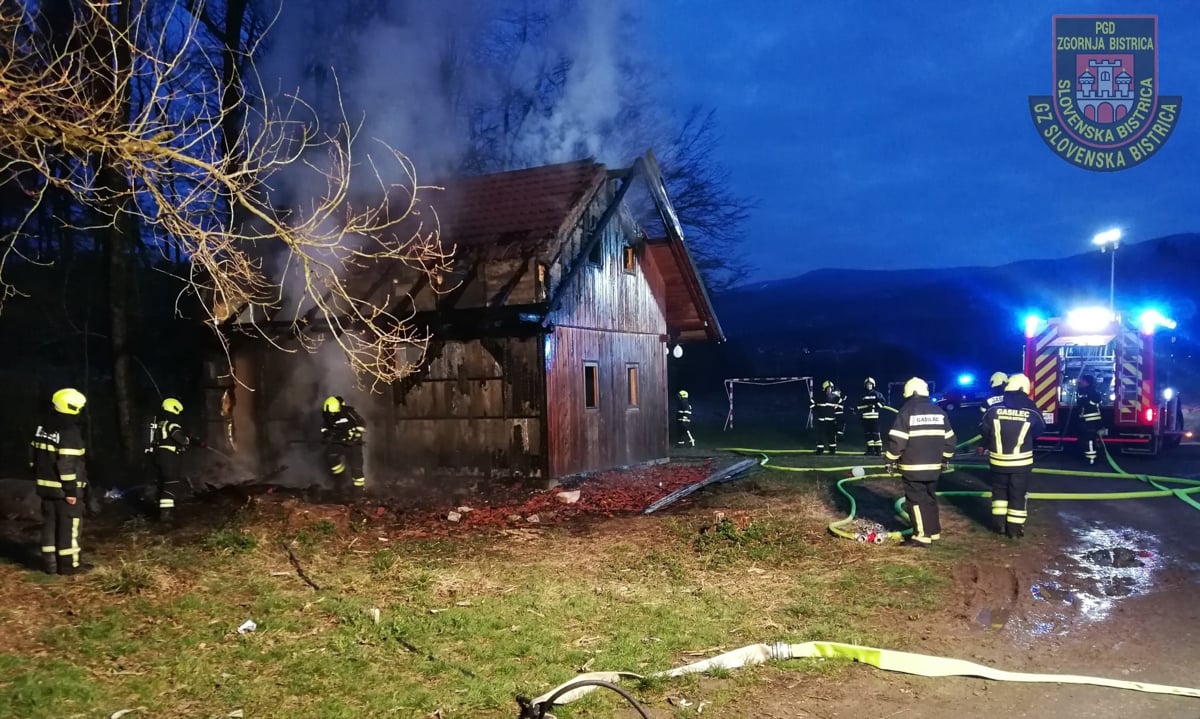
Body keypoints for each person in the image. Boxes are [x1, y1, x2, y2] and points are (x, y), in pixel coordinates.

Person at [884, 377, 956, 547]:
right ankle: (934, 531)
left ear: (909, 393)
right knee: (930, 498)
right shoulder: (939, 412)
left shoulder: (906, 411)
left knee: (915, 500)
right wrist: (944, 458)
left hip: (913, 467)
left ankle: (921, 536)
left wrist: (889, 460)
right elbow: (950, 440)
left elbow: (897, 441)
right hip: (934, 467)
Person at [29, 388, 92, 575]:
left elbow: (33, 456)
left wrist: (40, 476)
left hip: (45, 487)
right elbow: (66, 464)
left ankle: (50, 564)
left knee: (50, 524)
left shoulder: (43, 426)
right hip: (65, 490)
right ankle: (69, 565)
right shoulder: (69, 431)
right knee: (69, 526)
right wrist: (71, 491)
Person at [980, 373, 1046, 538]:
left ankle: (999, 526)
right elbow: (1040, 429)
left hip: (997, 460)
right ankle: (1015, 530)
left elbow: (983, 429)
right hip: (1021, 462)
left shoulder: (994, 409)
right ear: (1024, 389)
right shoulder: (1031, 409)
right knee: (1017, 494)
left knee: (999, 492)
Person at [148, 397, 201, 522]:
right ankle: (166, 515)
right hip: (168, 457)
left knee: (163, 483)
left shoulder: (160, 424)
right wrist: (188, 440)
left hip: (158, 456)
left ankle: (160, 510)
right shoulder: (171, 425)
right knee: (171, 484)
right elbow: (180, 439)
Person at [321, 395, 367, 497]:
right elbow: (324, 428)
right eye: (329, 414)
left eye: (334, 413)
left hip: (354, 444)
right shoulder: (327, 416)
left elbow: (361, 423)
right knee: (331, 457)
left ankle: (359, 491)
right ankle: (341, 481)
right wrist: (327, 435)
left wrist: (356, 435)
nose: (332, 416)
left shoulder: (348, 412)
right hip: (338, 442)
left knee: (356, 466)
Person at [1075, 375, 1102, 465]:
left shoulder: (1090, 391)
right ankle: (1088, 457)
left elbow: (1096, 399)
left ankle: (1091, 459)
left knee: (1089, 439)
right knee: (1086, 439)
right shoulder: (1085, 390)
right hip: (1087, 419)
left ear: (1087, 382)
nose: (1080, 383)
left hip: (1091, 420)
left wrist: (1085, 401)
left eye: (1082, 381)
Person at [857, 377, 887, 455]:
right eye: (867, 384)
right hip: (865, 418)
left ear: (873, 385)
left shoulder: (877, 394)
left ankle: (878, 451)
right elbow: (859, 405)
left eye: (870, 384)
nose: (869, 386)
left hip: (874, 418)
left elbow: (883, 402)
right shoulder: (862, 395)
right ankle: (870, 450)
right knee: (868, 434)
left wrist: (875, 406)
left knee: (876, 434)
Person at [812, 380, 842, 454]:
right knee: (820, 435)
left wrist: (837, 408)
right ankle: (820, 450)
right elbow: (811, 403)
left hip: (831, 420)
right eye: (828, 388)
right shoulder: (819, 396)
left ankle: (832, 449)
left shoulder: (835, 397)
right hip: (821, 420)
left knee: (831, 435)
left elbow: (841, 405)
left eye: (830, 388)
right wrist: (816, 409)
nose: (829, 389)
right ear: (824, 388)